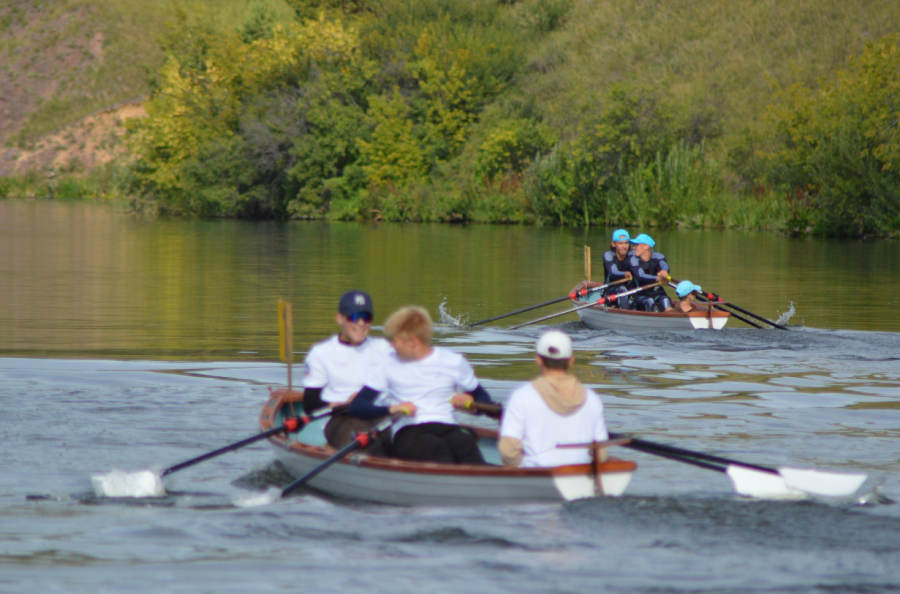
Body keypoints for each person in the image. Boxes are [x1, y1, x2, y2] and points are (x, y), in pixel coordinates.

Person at [348, 306, 495, 464]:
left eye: (394, 340)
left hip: (446, 426)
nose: (391, 345)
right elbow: (358, 406)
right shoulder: (388, 365)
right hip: (408, 432)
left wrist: (471, 405)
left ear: (413, 341)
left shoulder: (453, 361)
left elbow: (485, 401)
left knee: (466, 446)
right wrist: (392, 409)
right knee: (438, 450)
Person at [301, 290, 394, 456]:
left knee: (408, 438)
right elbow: (310, 404)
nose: (360, 323)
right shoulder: (321, 353)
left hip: (379, 414)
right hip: (341, 418)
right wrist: (342, 404)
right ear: (339, 318)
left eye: (366, 317)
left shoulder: (384, 348)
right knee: (368, 446)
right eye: (354, 316)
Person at [499, 330, 609, 468]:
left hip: (535, 477)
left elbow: (508, 451)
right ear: (571, 361)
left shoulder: (521, 396)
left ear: (538, 360)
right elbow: (601, 455)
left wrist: (519, 469)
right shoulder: (592, 399)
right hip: (576, 478)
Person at [627, 233, 673, 312]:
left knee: (665, 299)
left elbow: (665, 265)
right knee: (649, 301)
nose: (634, 248)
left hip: (657, 292)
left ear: (646, 246)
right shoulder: (633, 260)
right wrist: (658, 278)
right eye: (634, 246)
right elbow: (641, 276)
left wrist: (664, 271)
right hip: (639, 294)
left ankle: (669, 317)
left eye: (637, 245)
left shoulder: (658, 256)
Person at [601, 228, 634, 309]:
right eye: (620, 243)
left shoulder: (633, 254)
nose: (624, 246)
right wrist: (625, 274)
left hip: (630, 291)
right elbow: (613, 272)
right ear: (613, 244)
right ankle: (627, 315)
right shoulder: (608, 255)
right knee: (622, 289)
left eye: (626, 243)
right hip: (610, 292)